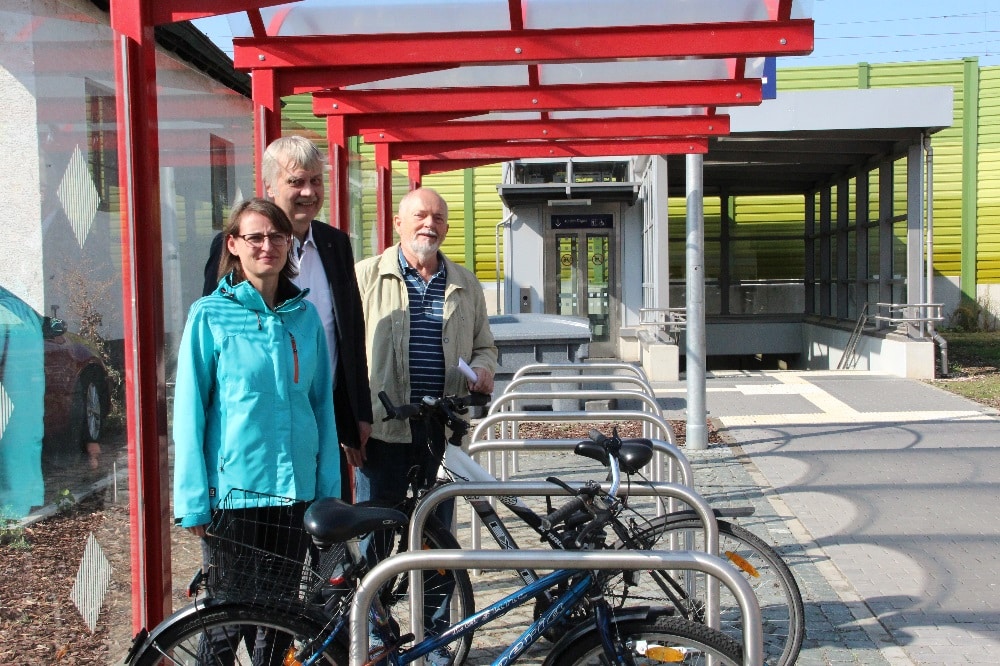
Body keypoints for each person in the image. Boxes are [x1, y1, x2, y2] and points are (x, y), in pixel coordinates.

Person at [175, 198, 339, 665]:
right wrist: (192, 502)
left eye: (278, 236)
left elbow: (321, 407)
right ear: (234, 244)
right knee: (226, 628)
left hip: (294, 497)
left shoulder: (303, 319)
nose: (268, 246)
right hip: (235, 498)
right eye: (256, 237)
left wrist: (327, 491)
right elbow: (189, 412)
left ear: (290, 244)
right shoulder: (209, 316)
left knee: (281, 626)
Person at [354, 187, 496, 663]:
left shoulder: (464, 282)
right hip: (382, 433)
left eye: (437, 217)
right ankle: (374, 633)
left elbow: (484, 346)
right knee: (377, 533)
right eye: (419, 215)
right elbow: (345, 357)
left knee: (439, 540)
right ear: (398, 222)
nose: (428, 224)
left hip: (441, 434)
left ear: (447, 227)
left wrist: (485, 368)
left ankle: (433, 634)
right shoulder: (366, 277)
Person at [202, 136, 371, 503]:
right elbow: (212, 340)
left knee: (327, 532)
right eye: (296, 181)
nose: (309, 192)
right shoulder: (233, 247)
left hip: (322, 418)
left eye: (316, 180)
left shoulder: (335, 244)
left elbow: (349, 335)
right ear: (270, 186)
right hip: (254, 431)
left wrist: (357, 413)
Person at [0, 285, 45, 519]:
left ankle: (13, 506)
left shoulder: (9, 309)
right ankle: (22, 500)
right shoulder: (22, 310)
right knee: (24, 437)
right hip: (26, 394)